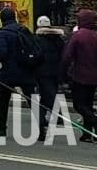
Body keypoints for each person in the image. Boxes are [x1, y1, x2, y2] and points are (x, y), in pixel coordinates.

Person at [0, 6, 39, 139]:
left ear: (2, 19)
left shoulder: (3, 32)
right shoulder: (24, 30)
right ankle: (41, 127)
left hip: (9, 72)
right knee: (32, 99)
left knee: (3, 100)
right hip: (26, 70)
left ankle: (1, 128)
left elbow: (0, 53)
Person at [60, 8, 97, 142]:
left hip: (80, 75)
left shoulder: (78, 35)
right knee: (88, 103)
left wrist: (63, 74)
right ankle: (87, 133)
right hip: (94, 78)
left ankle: (94, 123)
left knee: (79, 105)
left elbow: (67, 56)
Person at [35, 16, 67, 141]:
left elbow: (36, 56)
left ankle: (55, 117)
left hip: (42, 73)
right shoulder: (58, 39)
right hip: (56, 71)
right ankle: (46, 118)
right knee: (46, 96)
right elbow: (63, 55)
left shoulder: (37, 39)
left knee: (47, 95)